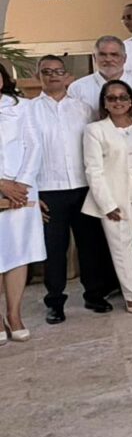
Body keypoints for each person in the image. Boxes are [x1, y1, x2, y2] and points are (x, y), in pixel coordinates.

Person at [31, 55, 117, 322]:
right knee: (54, 249)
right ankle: (55, 302)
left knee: (90, 245)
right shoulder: (29, 111)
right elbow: (24, 153)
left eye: (58, 71)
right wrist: (32, 193)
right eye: (47, 71)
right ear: (38, 76)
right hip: (48, 189)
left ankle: (94, 294)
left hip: (83, 187)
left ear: (67, 76)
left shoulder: (83, 109)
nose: (53, 76)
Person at [82, 80, 132, 314]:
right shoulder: (95, 130)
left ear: (131, 101)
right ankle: (131, 294)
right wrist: (106, 204)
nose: (118, 102)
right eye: (111, 98)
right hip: (114, 192)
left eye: (123, 97)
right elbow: (93, 170)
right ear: (104, 103)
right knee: (121, 244)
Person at [0, 63, 44, 343]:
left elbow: (34, 145)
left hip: (22, 190)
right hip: (2, 186)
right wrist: (1, 184)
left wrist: (21, 184)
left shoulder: (22, 107)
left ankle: (14, 314)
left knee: (18, 252)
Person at [69, 35, 132, 119]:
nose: (108, 59)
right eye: (103, 54)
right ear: (94, 57)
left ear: (125, 58)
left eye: (114, 54)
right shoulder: (77, 89)